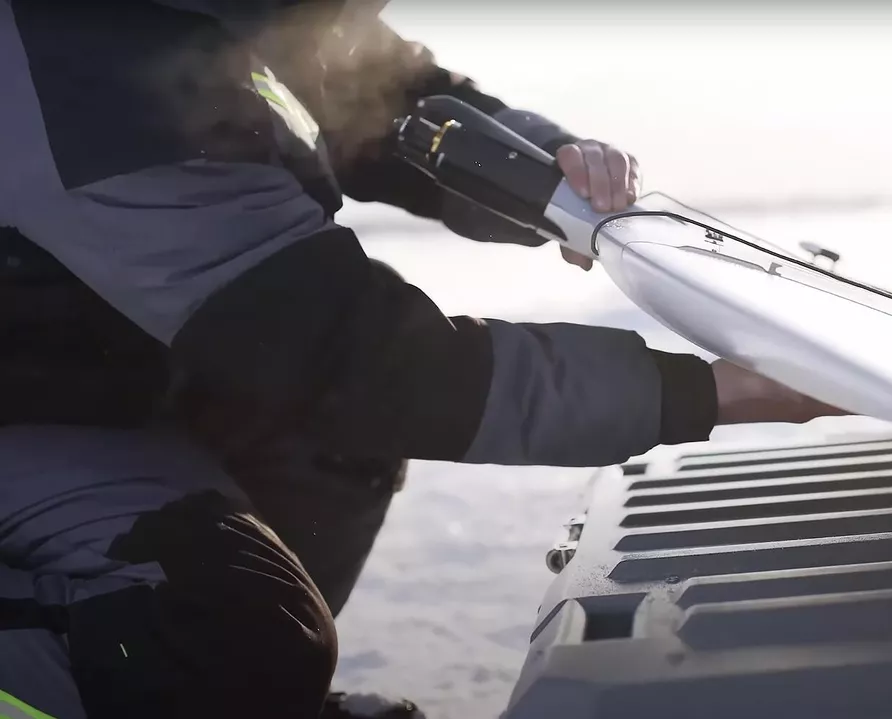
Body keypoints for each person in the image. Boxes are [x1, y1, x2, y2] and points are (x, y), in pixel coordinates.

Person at [0, 2, 843, 718]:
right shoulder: (82, 77)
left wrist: (559, 179)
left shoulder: (241, 15)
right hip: (28, 412)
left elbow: (392, 100)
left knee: (326, 458)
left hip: (86, 386)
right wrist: (710, 391)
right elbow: (355, 361)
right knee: (228, 628)